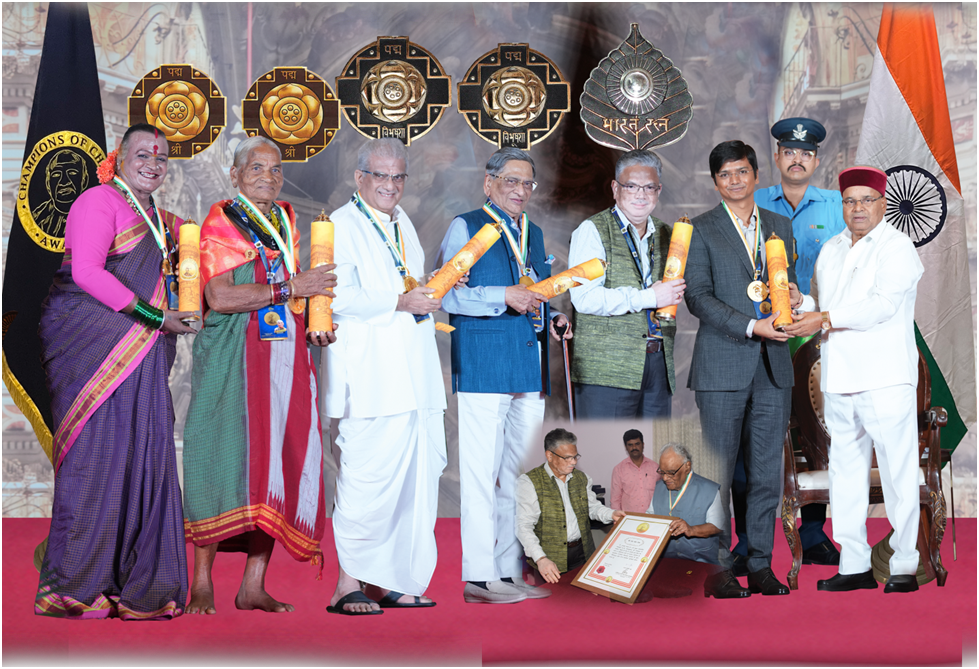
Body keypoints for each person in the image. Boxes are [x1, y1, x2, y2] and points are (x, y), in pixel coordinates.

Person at [35, 123, 196, 619]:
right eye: (143, 154)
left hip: (142, 353)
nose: (153, 163)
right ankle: (70, 589)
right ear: (119, 157)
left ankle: (139, 589)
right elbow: (86, 272)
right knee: (97, 461)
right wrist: (156, 317)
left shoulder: (159, 219)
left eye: (162, 157)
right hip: (94, 350)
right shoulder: (97, 201)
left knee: (144, 460)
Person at [182, 136, 337, 615]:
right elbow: (220, 297)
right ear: (234, 175)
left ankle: (252, 585)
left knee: (277, 461)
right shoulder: (222, 219)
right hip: (231, 355)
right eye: (256, 168)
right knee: (219, 457)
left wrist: (316, 318)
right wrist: (290, 288)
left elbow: (295, 288)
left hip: (282, 354)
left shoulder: (286, 220)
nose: (268, 177)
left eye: (275, 169)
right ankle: (201, 582)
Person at [437, 148, 572, 604]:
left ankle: (508, 570)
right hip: (483, 363)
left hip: (528, 365)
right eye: (511, 181)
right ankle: (479, 577)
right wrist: (503, 295)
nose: (520, 190)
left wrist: (553, 317)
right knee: (481, 474)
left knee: (520, 478)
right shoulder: (466, 226)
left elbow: (535, 292)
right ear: (488, 183)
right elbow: (447, 296)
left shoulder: (533, 232)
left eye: (527, 183)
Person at [785, 166, 923, 594]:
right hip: (839, 376)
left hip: (884, 377)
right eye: (849, 200)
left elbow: (881, 306)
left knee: (898, 472)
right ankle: (855, 564)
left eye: (866, 200)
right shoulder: (831, 248)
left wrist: (823, 317)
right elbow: (825, 304)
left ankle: (904, 564)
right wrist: (801, 301)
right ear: (841, 205)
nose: (858, 208)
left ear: (884, 203)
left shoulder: (897, 247)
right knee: (845, 475)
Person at [325, 138, 447, 615]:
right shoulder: (340, 224)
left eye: (398, 177)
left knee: (413, 480)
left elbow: (407, 284)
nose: (390, 185)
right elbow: (335, 296)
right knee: (366, 478)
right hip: (371, 374)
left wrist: (432, 288)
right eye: (381, 175)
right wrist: (400, 301)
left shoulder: (403, 222)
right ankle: (346, 584)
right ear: (360, 177)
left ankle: (390, 581)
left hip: (413, 370)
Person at [684, 140, 800, 599]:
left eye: (741, 171)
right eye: (724, 174)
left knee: (766, 474)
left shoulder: (779, 225)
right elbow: (698, 297)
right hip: (721, 367)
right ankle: (719, 569)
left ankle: (761, 564)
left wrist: (794, 295)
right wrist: (753, 326)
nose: (734, 180)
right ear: (715, 182)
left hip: (773, 369)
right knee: (717, 476)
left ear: (755, 174)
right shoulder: (699, 229)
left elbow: (787, 285)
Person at [731, 117, 846, 570]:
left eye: (806, 153)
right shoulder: (752, 200)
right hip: (761, 334)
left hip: (816, 336)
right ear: (777, 157)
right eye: (789, 152)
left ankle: (813, 534)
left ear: (816, 161)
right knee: (751, 435)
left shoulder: (837, 206)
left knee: (815, 431)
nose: (797, 159)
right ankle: (746, 541)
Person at [568, 149, 685, 419]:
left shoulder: (669, 234)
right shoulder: (593, 229)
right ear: (615, 188)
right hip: (607, 368)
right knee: (608, 444)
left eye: (649, 187)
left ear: (658, 191)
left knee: (654, 446)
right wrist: (649, 297)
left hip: (658, 363)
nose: (640, 195)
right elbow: (584, 298)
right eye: (631, 186)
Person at [515, 428, 625, 583]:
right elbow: (523, 526)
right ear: (550, 455)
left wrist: (611, 514)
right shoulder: (529, 482)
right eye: (567, 458)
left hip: (583, 552)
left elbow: (592, 507)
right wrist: (540, 558)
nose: (573, 462)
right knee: (554, 597)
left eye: (575, 456)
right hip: (549, 559)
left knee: (584, 595)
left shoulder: (582, 478)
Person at [645, 443, 723, 565]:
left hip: (701, 561)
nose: (665, 478)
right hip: (666, 560)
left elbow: (718, 526)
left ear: (687, 466)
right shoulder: (658, 487)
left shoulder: (710, 490)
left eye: (671, 472)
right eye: (662, 472)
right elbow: (650, 515)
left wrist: (692, 529)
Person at [610, 429, 660, 513]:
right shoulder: (618, 469)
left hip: (653, 516)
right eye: (630, 445)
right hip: (629, 517)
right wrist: (617, 518)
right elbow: (615, 499)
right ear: (626, 447)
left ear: (643, 445)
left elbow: (662, 494)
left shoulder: (655, 467)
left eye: (637, 444)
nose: (634, 448)